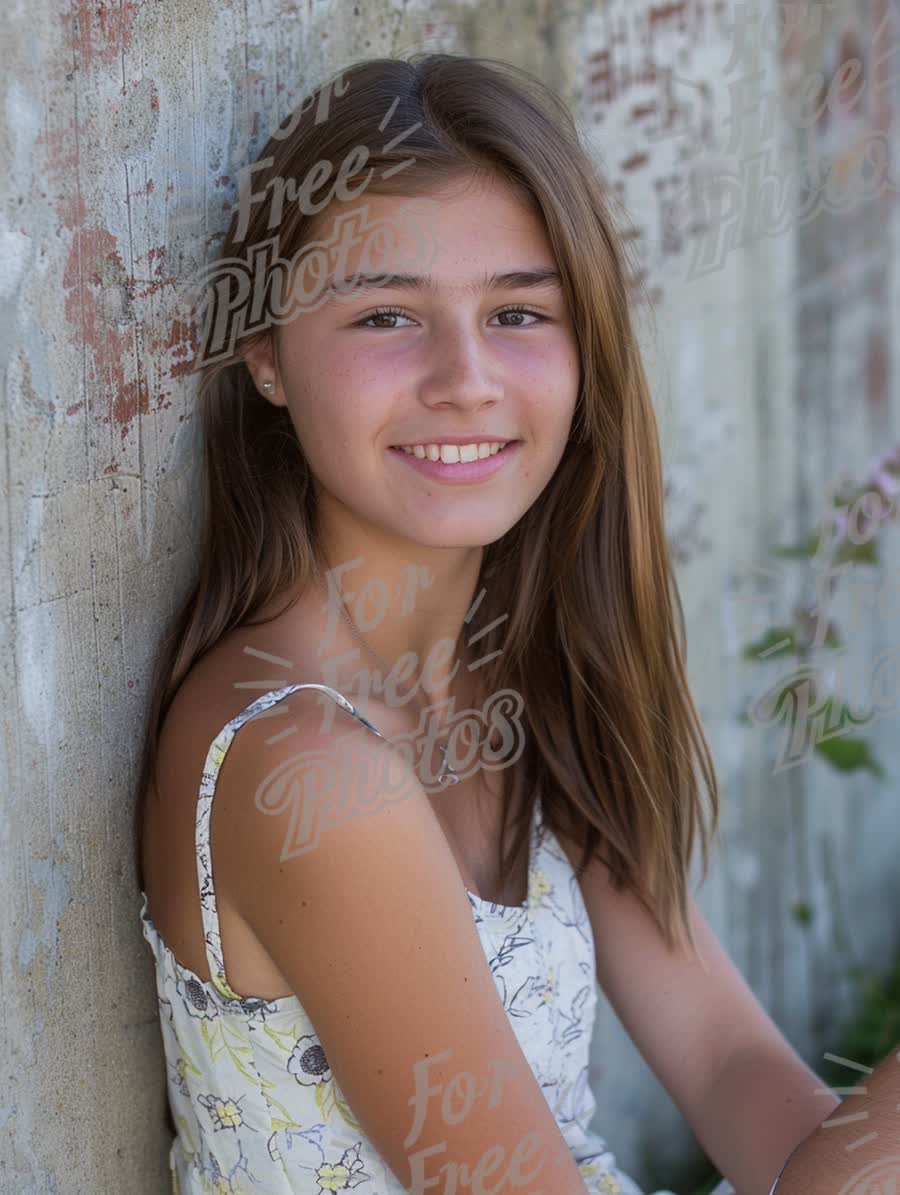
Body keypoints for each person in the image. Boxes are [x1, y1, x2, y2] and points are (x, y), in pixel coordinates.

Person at [134, 52, 843, 1195]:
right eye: (385, 315)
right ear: (264, 356)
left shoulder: (514, 686)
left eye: (518, 310)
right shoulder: (306, 771)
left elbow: (728, 1069)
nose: (465, 378)